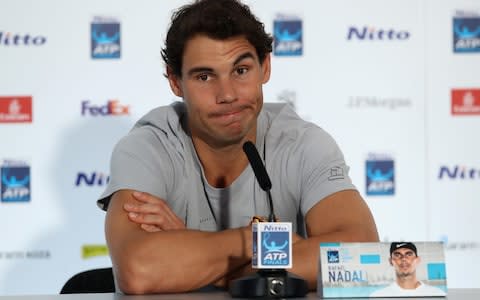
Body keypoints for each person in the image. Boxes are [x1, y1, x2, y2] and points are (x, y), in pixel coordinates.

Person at [97, 0, 379, 294]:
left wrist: (193, 256)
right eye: (204, 77)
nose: (228, 94)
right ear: (175, 81)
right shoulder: (149, 146)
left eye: (241, 70)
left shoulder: (303, 144)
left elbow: (362, 255)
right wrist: (255, 240)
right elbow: (139, 270)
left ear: (265, 67)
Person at [370, 242, 446, 297]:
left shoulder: (437, 294)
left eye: (409, 254)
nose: (403, 259)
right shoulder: (378, 296)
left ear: (417, 260)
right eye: (397, 255)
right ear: (391, 261)